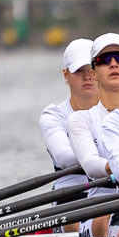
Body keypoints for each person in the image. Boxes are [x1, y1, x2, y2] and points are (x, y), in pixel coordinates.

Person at [69, 33, 119, 237]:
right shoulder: (81, 120)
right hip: (101, 209)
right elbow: (90, 164)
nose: (114, 64)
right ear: (94, 72)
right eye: (105, 60)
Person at [39, 38, 98, 171]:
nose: (87, 76)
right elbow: (64, 158)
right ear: (66, 74)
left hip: (114, 188)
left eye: (91, 69)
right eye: (79, 71)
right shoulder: (54, 116)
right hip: (72, 187)